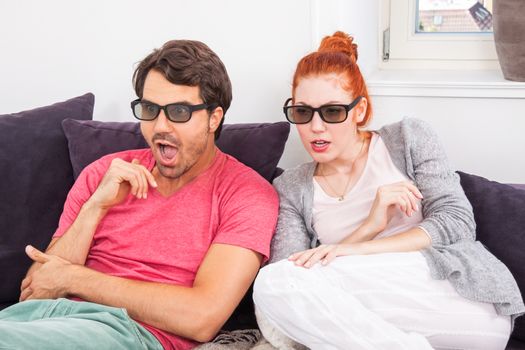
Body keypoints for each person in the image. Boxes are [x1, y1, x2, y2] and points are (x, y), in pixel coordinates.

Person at [0, 39, 279, 350]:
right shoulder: (104, 173)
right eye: (149, 109)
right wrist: (96, 206)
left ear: (214, 118)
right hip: (34, 318)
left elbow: (203, 317)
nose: (160, 126)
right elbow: (37, 286)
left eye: (178, 111)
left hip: (123, 332)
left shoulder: (246, 194)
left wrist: (74, 279)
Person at [253, 31, 524, 350]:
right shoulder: (291, 187)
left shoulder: (409, 138)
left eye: (332, 112)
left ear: (359, 110)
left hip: (460, 299)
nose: (315, 127)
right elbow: (293, 274)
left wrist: (354, 251)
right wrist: (369, 227)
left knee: (277, 290)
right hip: (374, 317)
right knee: (273, 287)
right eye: (302, 112)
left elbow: (457, 223)